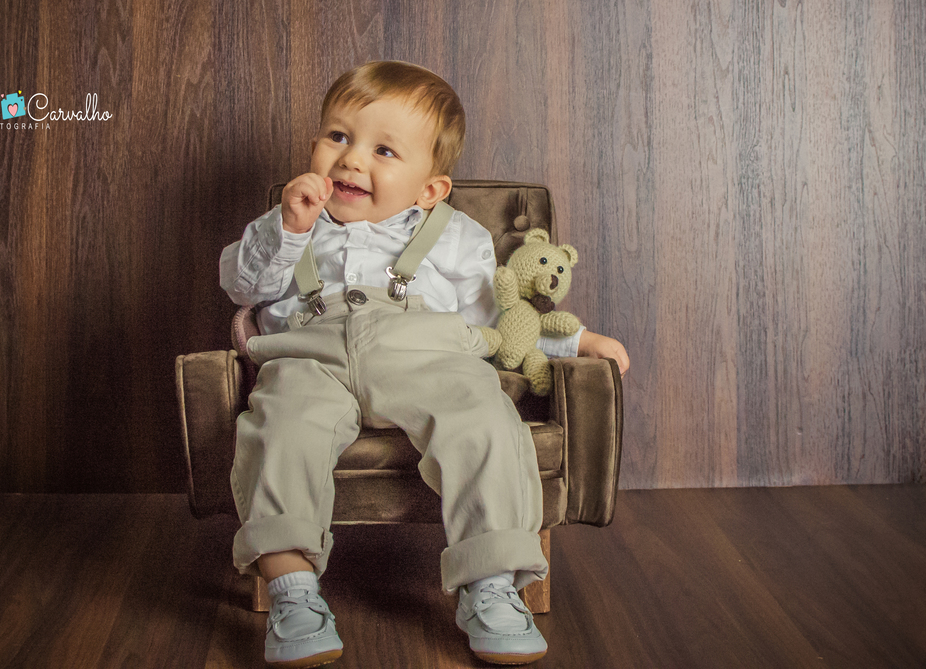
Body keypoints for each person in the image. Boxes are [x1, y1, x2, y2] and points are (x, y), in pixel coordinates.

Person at [220, 60, 629, 667]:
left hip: (424, 352)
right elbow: (240, 285)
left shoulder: (455, 235)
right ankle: (292, 588)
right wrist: (287, 228)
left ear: (430, 189)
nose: (353, 160)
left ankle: (491, 584)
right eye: (338, 136)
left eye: (383, 150)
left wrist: (573, 344)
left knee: (483, 418)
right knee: (280, 429)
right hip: (310, 352)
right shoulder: (292, 223)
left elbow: (498, 321)